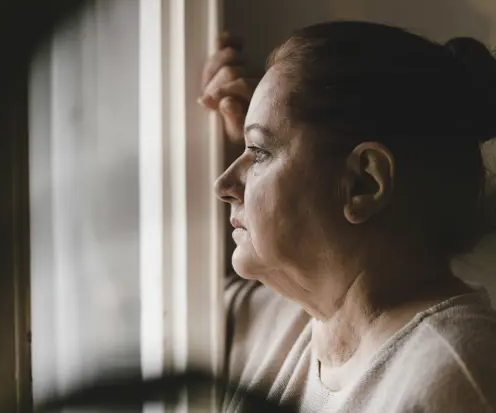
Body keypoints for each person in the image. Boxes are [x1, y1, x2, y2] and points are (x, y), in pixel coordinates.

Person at [201, 21, 496, 413]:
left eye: (258, 153)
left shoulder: (451, 379)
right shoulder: (278, 321)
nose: (223, 184)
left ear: (363, 184)